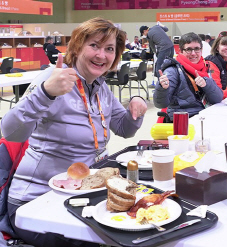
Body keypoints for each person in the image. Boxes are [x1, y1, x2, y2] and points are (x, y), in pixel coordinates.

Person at [1, 17, 147, 246]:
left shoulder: (100, 87)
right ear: (78, 47)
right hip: (35, 201)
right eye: (94, 45)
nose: (102, 55)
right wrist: (46, 93)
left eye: (109, 49)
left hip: (78, 195)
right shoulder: (53, 79)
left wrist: (136, 107)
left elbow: (124, 129)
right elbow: (11, 133)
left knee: (135, 224)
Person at [153, 32, 223, 121]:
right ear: (181, 51)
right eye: (189, 49)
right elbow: (160, 104)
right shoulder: (172, 71)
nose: (193, 53)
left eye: (197, 49)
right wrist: (162, 88)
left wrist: (207, 84)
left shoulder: (204, 67)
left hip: (204, 116)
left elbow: (218, 98)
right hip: (184, 121)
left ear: (201, 50)